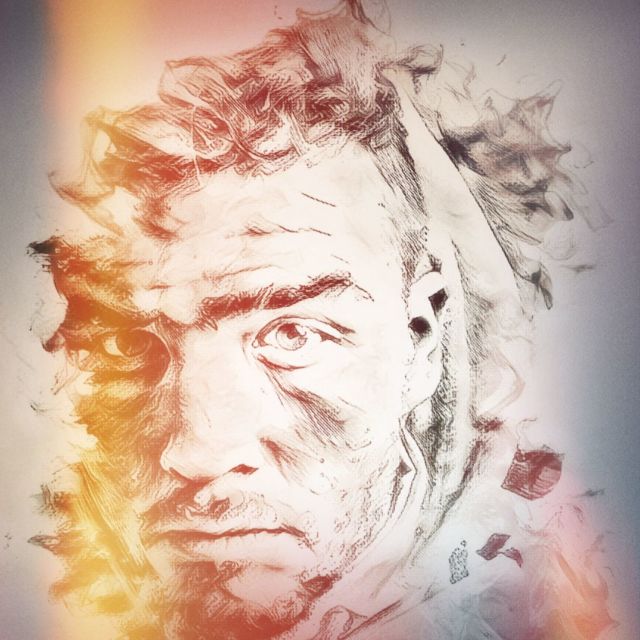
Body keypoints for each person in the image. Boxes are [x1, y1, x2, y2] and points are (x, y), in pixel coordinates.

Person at [31, 2, 615, 638]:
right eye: (128, 345)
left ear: (421, 339)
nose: (198, 450)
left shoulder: (552, 596)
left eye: (292, 333)